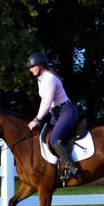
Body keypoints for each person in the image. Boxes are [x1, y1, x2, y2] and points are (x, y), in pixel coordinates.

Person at [26, 51, 82, 181]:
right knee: (44, 136)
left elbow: (48, 100)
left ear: (40, 65)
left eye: (32, 66)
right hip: (55, 114)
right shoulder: (40, 80)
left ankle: (73, 169)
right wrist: (38, 118)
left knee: (54, 140)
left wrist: (37, 119)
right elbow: (43, 101)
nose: (30, 69)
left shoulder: (50, 78)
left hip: (66, 111)